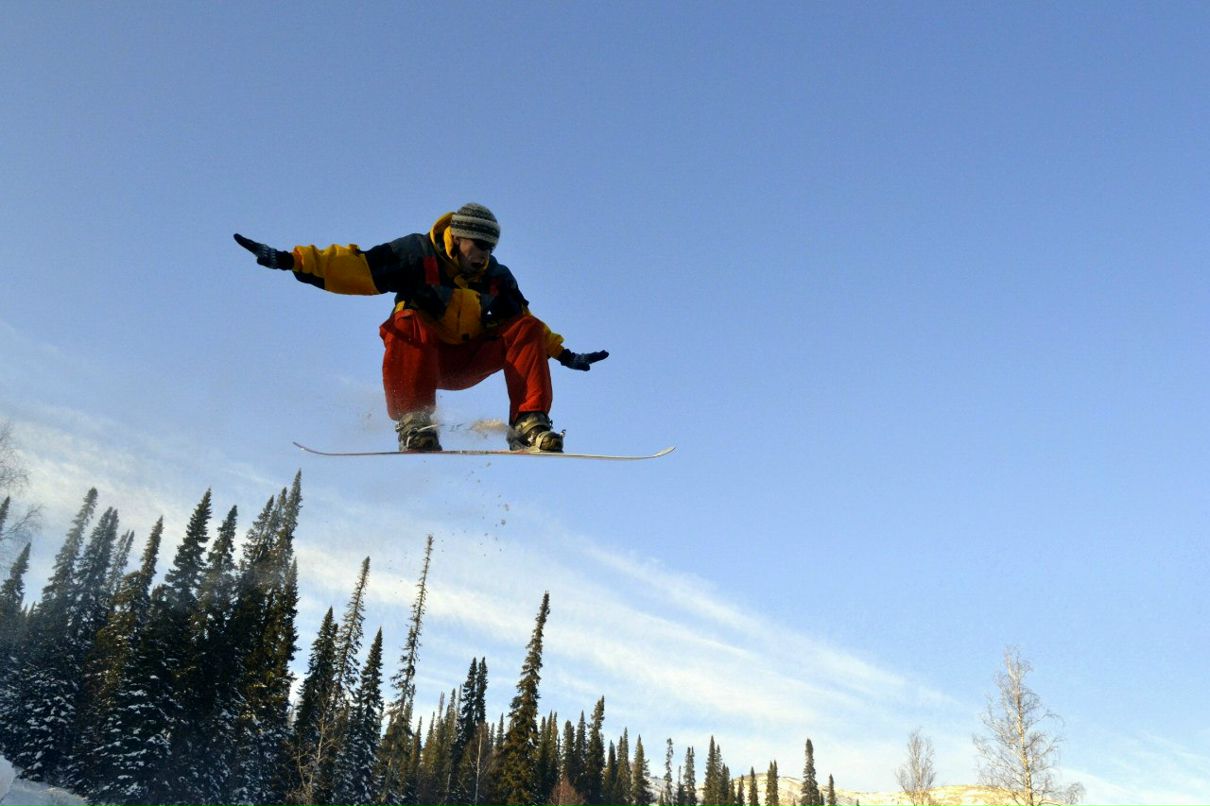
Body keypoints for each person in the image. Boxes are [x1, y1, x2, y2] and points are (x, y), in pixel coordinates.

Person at [234, 203, 607, 452]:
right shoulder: (416, 254)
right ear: (457, 237)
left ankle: (527, 425)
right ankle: (415, 422)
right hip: (421, 359)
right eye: (479, 245)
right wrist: (291, 260)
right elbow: (358, 265)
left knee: (523, 326)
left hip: (467, 361)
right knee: (407, 317)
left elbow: (529, 327)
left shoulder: (497, 278)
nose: (484, 254)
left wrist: (564, 354)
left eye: (491, 247)